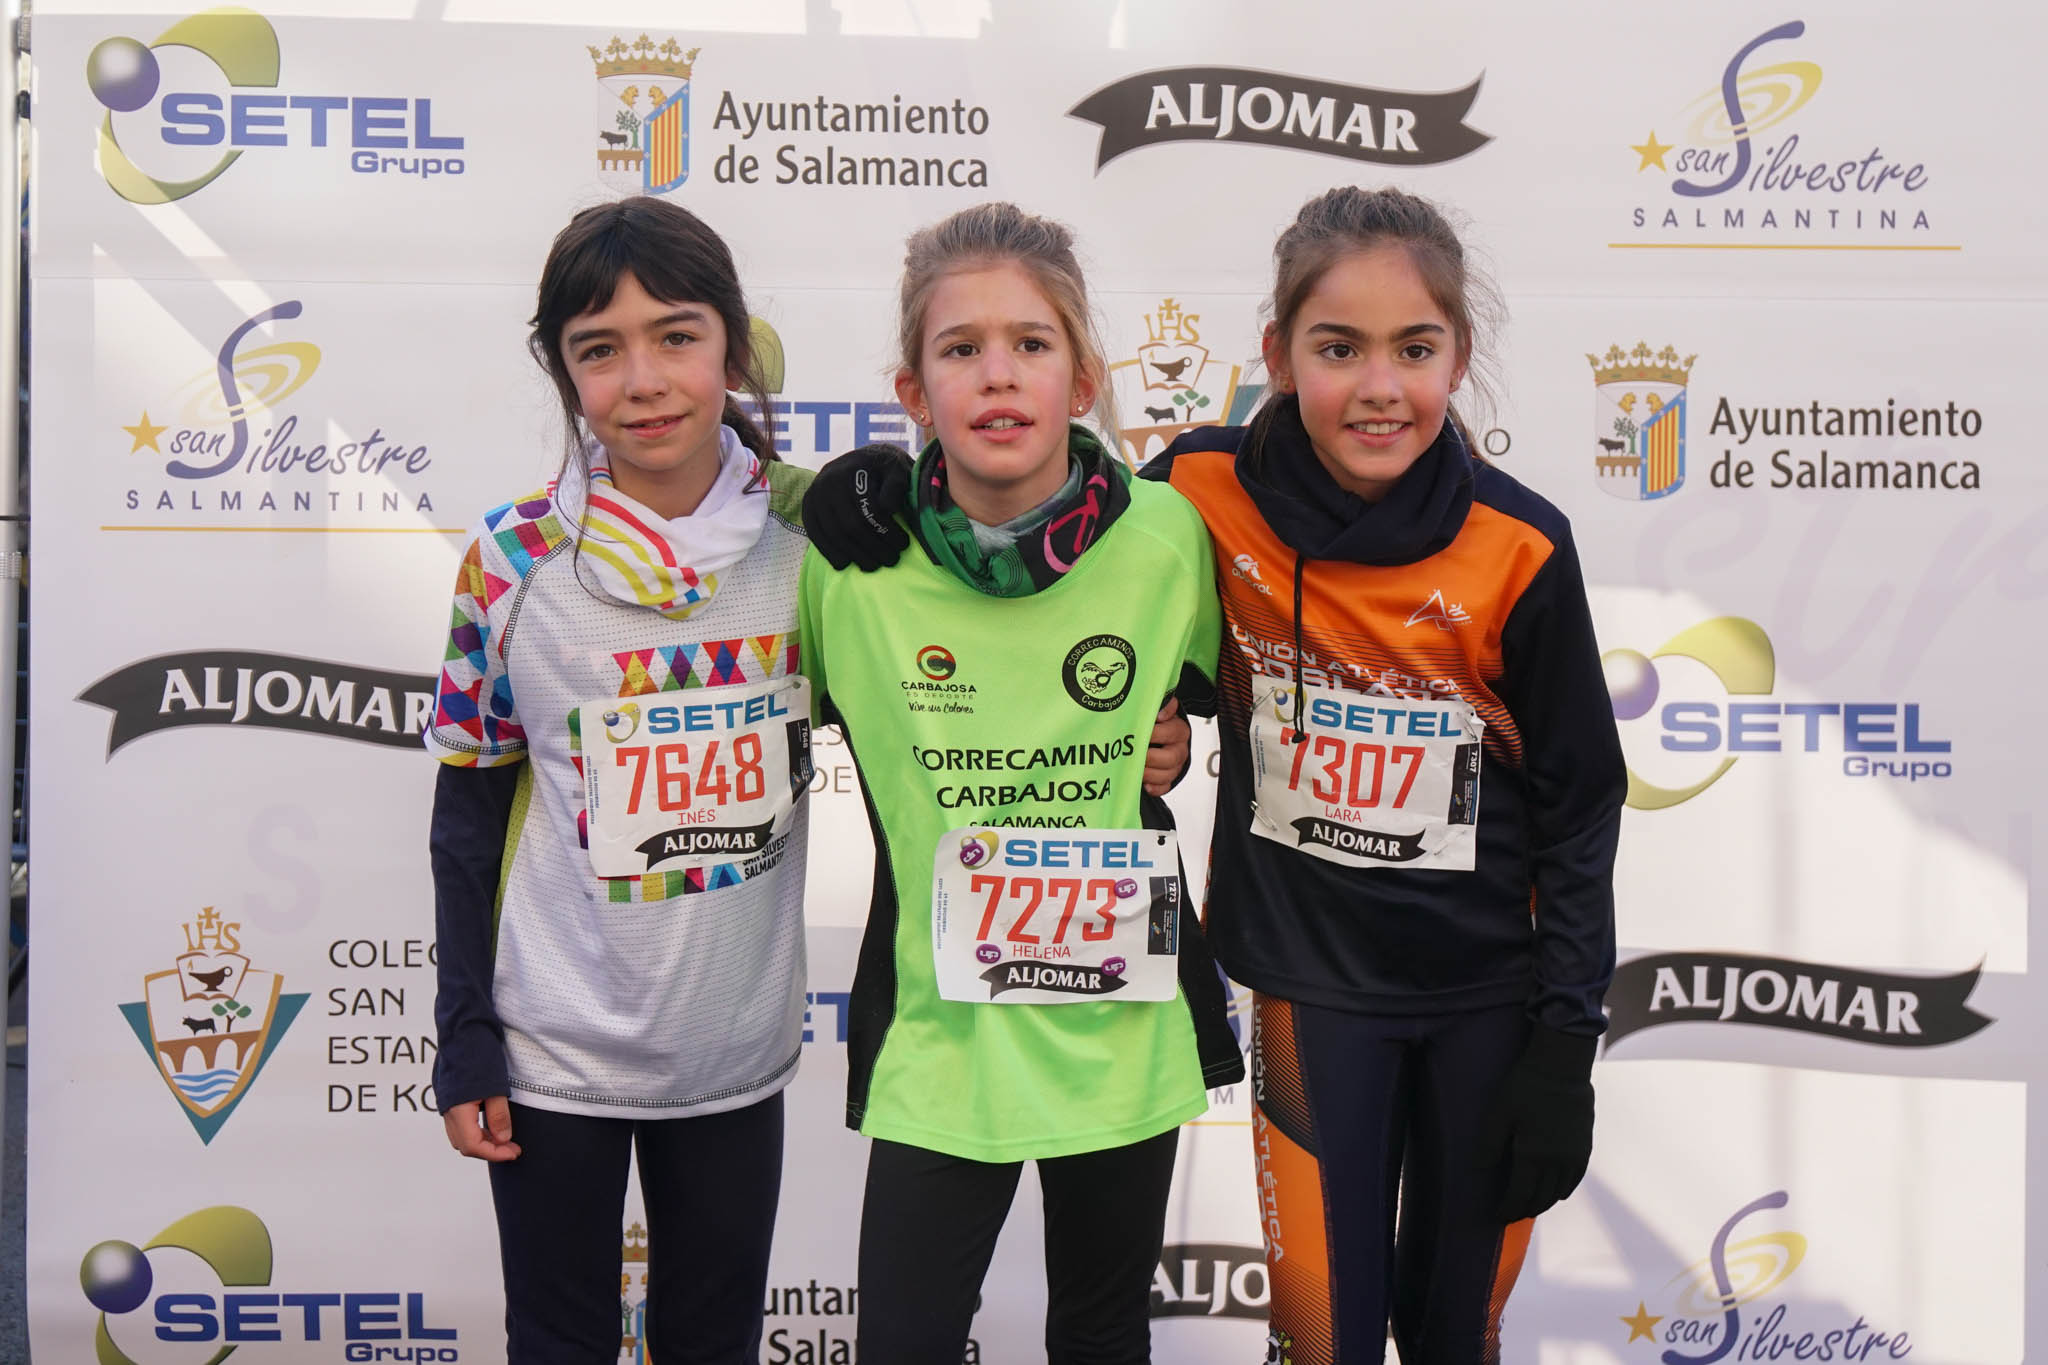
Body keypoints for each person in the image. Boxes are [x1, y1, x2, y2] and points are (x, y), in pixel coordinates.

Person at [805, 186, 1624, 1365]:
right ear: (1278, 359)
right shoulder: (1200, 493)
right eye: (1336, 348)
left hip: (1482, 999)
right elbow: (1051, 544)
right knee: (1317, 1336)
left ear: (1460, 356)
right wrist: (853, 482)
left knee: (1453, 1336)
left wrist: (1564, 1039)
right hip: (1304, 991)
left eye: (1414, 349)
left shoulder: (1508, 543)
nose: (1376, 386)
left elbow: (1581, 809)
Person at [796, 201, 1243, 1365]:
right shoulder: (848, 569)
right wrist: (810, 488)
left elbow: (1204, 702)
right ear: (911, 394)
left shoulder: (1166, 542)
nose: (997, 376)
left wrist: (1177, 743)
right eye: (960, 350)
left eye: (1030, 345)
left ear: (1084, 378)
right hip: (941, 1046)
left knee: (1101, 1337)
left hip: (1118, 1037)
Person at [423, 196, 814, 1364]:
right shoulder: (512, 559)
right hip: (552, 1060)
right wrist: (464, 1035)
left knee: (714, 1342)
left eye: (677, 336)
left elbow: (944, 724)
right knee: (557, 1342)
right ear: (565, 373)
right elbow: (467, 811)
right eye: (600, 349)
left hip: (733, 1056)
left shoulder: (817, 548)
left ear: (732, 347)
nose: (643, 379)